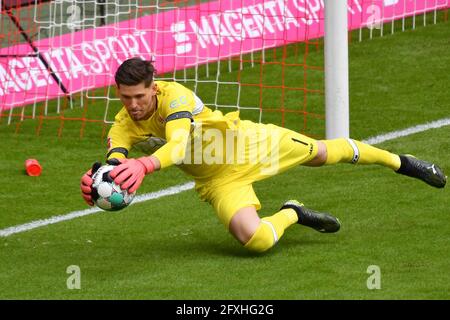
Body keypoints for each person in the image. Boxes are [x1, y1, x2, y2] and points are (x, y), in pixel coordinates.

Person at [80, 57, 446, 253]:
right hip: (218, 180)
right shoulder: (122, 124)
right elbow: (115, 158)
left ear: (153, 87)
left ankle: (401, 162)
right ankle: (293, 212)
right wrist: (100, 182)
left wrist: (145, 164)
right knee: (253, 240)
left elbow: (177, 145)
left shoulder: (175, 96)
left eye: (139, 97)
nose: (133, 105)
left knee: (321, 153)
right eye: (125, 97)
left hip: (248, 146)